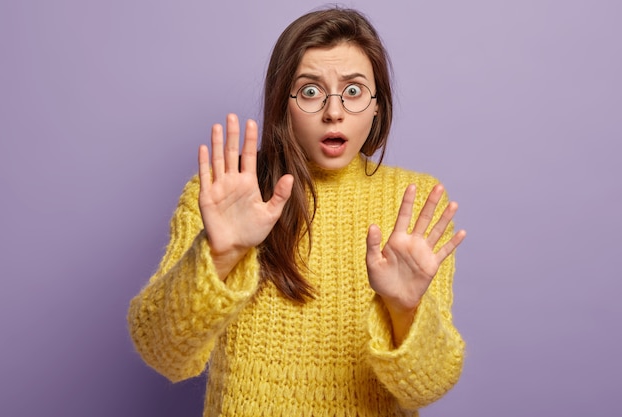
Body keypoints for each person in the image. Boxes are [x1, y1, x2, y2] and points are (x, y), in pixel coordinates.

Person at [128, 7, 466, 416]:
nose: (334, 111)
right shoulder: (224, 192)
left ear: (378, 105)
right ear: (282, 102)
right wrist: (220, 255)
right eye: (310, 91)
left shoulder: (416, 202)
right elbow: (163, 353)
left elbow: (427, 388)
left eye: (354, 91)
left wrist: (403, 309)